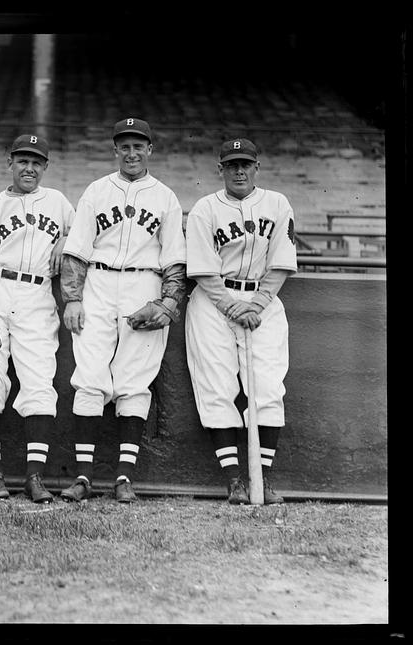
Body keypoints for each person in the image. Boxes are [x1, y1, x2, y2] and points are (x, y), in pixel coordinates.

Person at [59, 117, 187, 503]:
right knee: (90, 376)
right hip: (98, 283)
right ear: (115, 150)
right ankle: (83, 477)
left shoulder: (165, 196)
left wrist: (168, 301)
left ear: (150, 149)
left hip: (143, 284)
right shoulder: (97, 191)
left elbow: (175, 258)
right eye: (125, 146)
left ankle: (124, 478)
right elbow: (77, 249)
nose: (132, 153)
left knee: (135, 380)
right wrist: (73, 297)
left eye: (139, 145)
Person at [0, 134, 75, 503]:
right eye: (22, 161)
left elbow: (80, 234)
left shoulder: (58, 202)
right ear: (10, 163)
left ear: (45, 166)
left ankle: (34, 477)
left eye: (36, 162)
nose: (29, 168)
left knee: (40, 381)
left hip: (37, 294)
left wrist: (64, 242)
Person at [184, 138, 297, 505]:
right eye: (231, 165)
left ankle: (260, 479)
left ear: (256, 168)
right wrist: (232, 306)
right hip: (214, 300)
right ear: (220, 170)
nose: (239, 171)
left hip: (263, 301)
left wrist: (259, 302)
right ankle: (234, 481)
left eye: (245, 164)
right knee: (216, 387)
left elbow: (281, 260)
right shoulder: (205, 208)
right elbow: (202, 268)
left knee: (267, 388)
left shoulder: (277, 204)